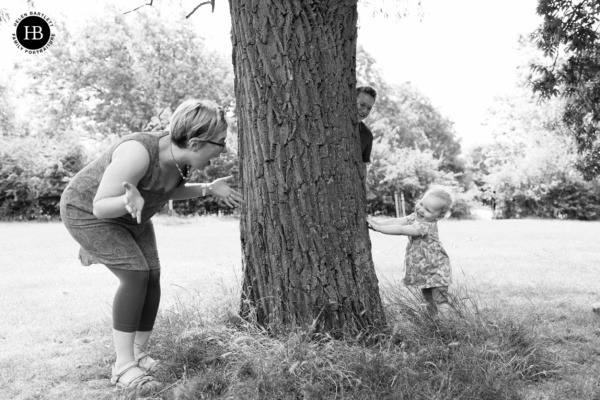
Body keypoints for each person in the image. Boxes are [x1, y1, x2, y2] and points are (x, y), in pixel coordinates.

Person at [59, 99, 243, 391]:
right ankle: (123, 367)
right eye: (220, 144)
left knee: (152, 275)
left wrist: (209, 188)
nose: (223, 151)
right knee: (136, 274)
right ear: (195, 143)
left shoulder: (181, 158)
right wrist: (126, 201)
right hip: (89, 212)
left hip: (135, 215)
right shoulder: (138, 153)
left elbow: (167, 189)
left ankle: (137, 351)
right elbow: (100, 207)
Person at [367, 186, 453, 317]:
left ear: (439, 217)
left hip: (437, 270)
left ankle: (448, 326)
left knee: (440, 300)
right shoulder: (415, 217)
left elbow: (401, 230)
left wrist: (379, 228)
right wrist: (378, 223)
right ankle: (434, 322)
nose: (421, 209)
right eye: (421, 204)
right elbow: (397, 221)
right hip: (426, 270)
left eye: (428, 210)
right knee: (428, 298)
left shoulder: (426, 226)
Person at [357, 86, 377, 189]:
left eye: (369, 108)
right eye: (362, 105)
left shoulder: (367, 135)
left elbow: (363, 164)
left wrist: (363, 186)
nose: (365, 111)